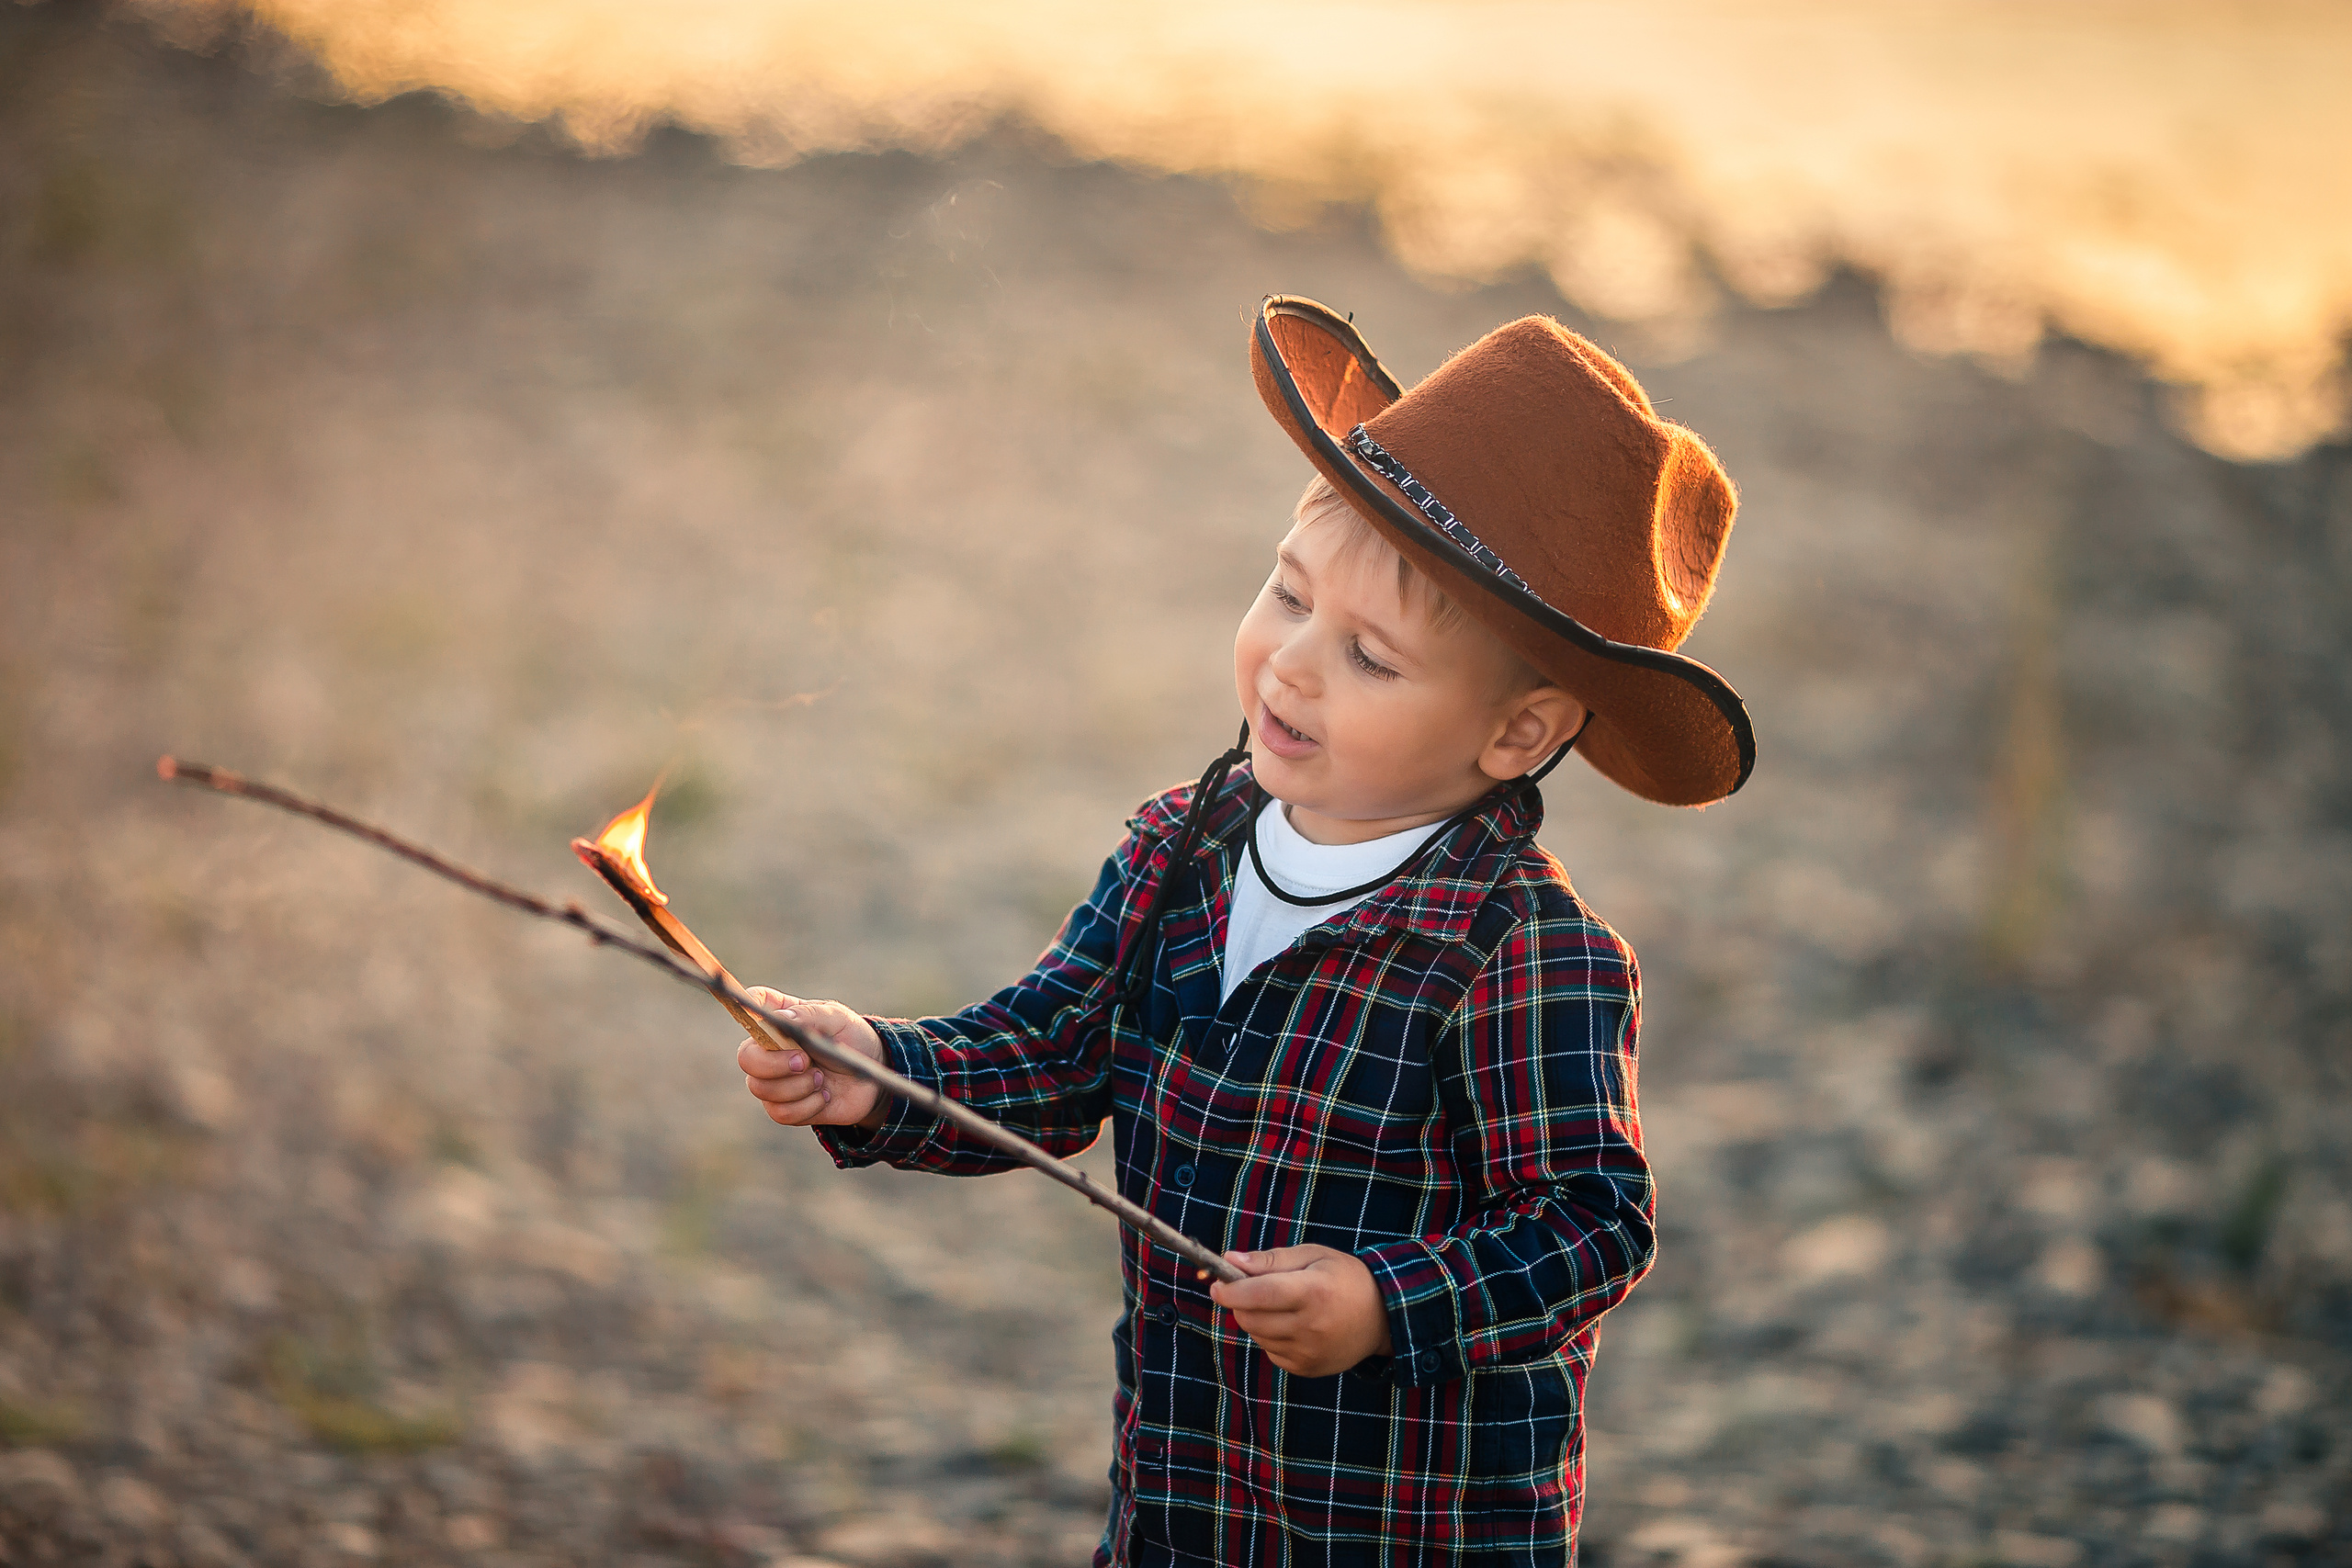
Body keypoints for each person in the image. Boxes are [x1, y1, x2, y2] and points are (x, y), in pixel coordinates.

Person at [737, 297, 1754, 1566]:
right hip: (1186, 1492)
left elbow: (1591, 1223)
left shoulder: (1524, 953)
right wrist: (875, 1070)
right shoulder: (1183, 848)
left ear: (1517, 734)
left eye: (1369, 658)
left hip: (1405, 1524)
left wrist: (1388, 1301)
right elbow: (1051, 1052)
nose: (1291, 665)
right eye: (1285, 596)